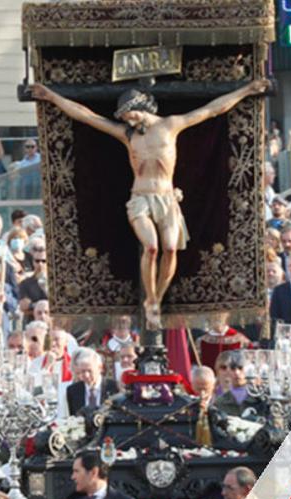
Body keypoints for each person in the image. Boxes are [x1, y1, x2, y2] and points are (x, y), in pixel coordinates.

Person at [30, 78, 270, 325]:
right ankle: (151, 299)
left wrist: (247, 90)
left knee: (169, 248)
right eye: (123, 116)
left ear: (142, 107)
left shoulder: (171, 125)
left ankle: (158, 297)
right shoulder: (127, 135)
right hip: (141, 198)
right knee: (152, 247)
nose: (126, 119)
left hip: (166, 199)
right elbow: (86, 116)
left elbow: (212, 110)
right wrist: (51, 96)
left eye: (129, 113)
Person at [64, 349, 118, 418]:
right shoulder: (73, 390)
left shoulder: (114, 388)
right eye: (83, 371)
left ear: (100, 368)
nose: (86, 375)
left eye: (90, 371)